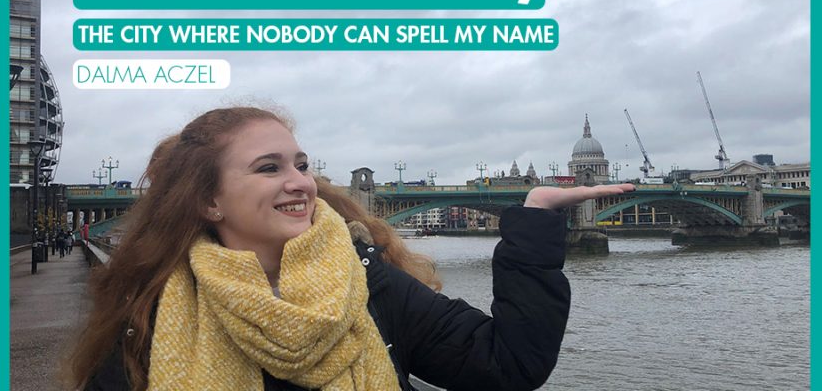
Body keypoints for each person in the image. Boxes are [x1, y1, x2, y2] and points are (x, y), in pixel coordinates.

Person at [67, 107, 634, 391]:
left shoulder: (370, 284)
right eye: (270, 168)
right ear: (209, 201)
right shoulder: (150, 316)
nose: (302, 182)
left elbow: (510, 364)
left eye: (302, 164)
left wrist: (534, 221)